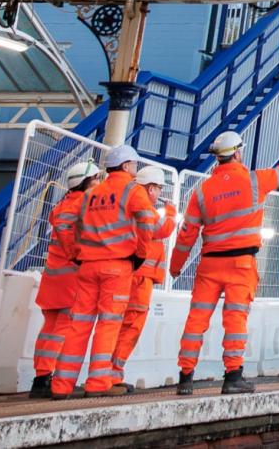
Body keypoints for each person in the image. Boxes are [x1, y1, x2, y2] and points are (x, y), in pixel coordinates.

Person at [171, 131, 279, 396]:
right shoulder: (255, 181)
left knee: (196, 319)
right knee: (235, 320)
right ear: (238, 152)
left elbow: (187, 234)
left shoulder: (201, 191)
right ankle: (233, 377)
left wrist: (175, 267)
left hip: (209, 265)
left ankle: (185, 378)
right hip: (240, 265)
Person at [51, 145, 158, 398]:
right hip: (117, 265)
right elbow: (147, 221)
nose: (135, 169)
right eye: (133, 164)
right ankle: (98, 384)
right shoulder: (132, 190)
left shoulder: (91, 194)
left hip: (87, 266)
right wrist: (140, 253)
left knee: (79, 325)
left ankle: (61, 385)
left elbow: (64, 222)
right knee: (108, 325)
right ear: (125, 166)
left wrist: (74, 253)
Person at [28, 160, 98, 399]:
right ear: (87, 182)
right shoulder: (83, 206)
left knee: (48, 329)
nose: (99, 183)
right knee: (64, 329)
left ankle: (41, 377)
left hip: (53, 277)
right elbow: (77, 239)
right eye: (96, 179)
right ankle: (57, 379)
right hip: (72, 278)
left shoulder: (61, 206)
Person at [108, 164, 176, 392]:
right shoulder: (144, 207)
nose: (159, 193)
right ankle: (113, 374)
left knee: (119, 324)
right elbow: (163, 229)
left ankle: (107, 373)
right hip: (140, 278)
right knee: (131, 325)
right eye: (157, 188)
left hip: (131, 274)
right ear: (149, 188)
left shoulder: (128, 205)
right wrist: (172, 212)